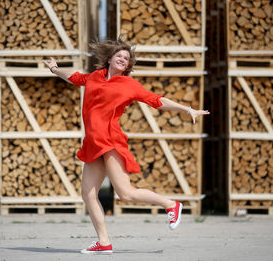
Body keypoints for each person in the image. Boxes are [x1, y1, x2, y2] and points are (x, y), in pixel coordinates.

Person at [43, 38, 210, 254]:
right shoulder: (95, 77)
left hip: (110, 141)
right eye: (119, 56)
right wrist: (55, 69)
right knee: (88, 194)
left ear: (128, 65)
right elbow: (75, 77)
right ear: (110, 58)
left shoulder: (129, 85)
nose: (123, 59)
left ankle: (171, 204)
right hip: (93, 143)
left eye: (127, 58)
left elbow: (157, 100)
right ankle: (104, 243)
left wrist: (188, 110)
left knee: (126, 193)